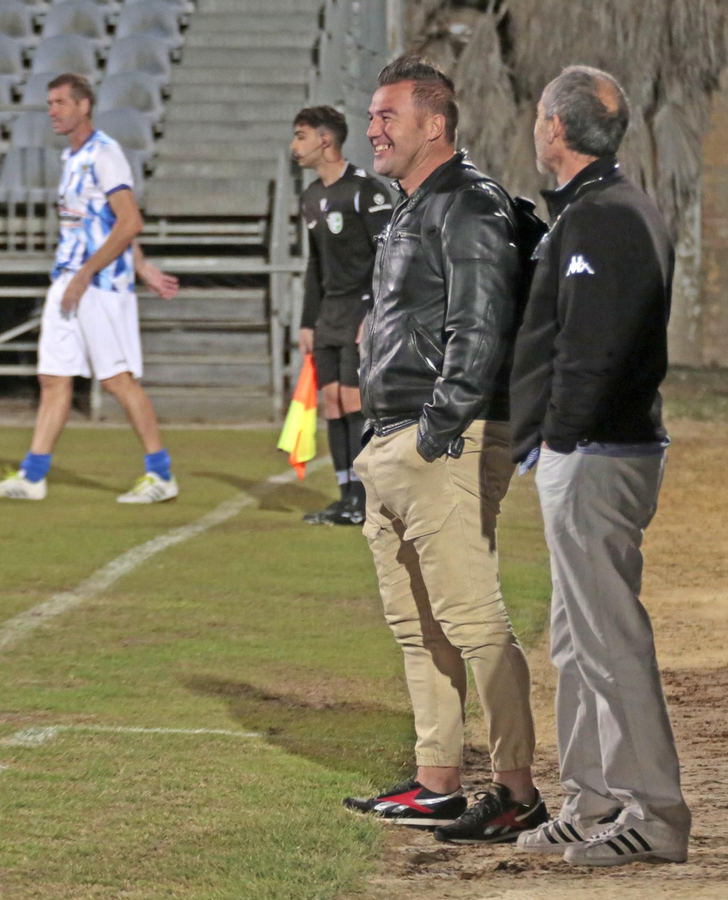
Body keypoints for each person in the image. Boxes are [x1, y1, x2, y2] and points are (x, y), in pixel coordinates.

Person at [340, 56, 545, 845]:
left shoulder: (467, 202)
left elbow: (481, 326)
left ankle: (518, 789)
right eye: (371, 115)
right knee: (416, 622)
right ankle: (437, 781)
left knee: (472, 619)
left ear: (434, 123)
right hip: (394, 440)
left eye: (388, 115)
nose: (373, 129)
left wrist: (437, 427)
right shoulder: (414, 204)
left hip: (443, 442)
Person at [506, 65, 688, 867]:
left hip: (598, 453)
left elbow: (596, 346)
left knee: (608, 636)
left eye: (541, 119)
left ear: (555, 128)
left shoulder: (607, 218)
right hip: (594, 449)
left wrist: (562, 435)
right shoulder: (599, 210)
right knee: (576, 636)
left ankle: (655, 812)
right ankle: (594, 797)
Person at [0, 73, 180, 503]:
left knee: (117, 380)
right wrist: (140, 264)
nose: (52, 110)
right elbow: (110, 222)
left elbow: (130, 221)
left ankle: (160, 475)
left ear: (83, 106)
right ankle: (33, 476)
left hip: (99, 284)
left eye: (60, 102)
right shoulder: (73, 157)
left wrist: (91, 275)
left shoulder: (105, 154)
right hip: (68, 279)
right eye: (49, 103)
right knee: (53, 376)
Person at [289, 105, 394, 526]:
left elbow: (389, 256)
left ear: (325, 140)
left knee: (354, 401)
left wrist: (376, 312)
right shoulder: (311, 197)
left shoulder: (366, 190)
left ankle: (369, 500)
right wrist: (306, 321)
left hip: (362, 310)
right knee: (331, 404)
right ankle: (346, 496)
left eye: (300, 136)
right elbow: (315, 265)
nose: (295, 146)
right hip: (330, 314)